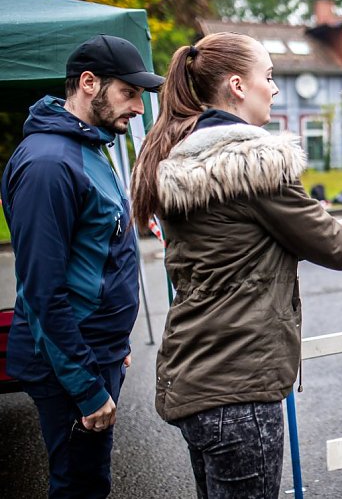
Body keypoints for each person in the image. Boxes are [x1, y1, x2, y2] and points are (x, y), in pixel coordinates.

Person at [129, 32, 342, 499]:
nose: (274, 88)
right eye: (268, 77)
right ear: (237, 86)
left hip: (194, 375)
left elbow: (240, 241)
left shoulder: (184, 154)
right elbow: (339, 250)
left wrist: (322, 225)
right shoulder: (256, 164)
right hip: (239, 388)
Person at [1, 34, 164, 497]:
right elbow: (43, 291)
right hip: (69, 364)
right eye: (128, 92)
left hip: (95, 350)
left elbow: (97, 255)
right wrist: (86, 386)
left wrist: (114, 341)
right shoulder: (49, 165)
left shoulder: (90, 145)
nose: (138, 108)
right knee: (80, 486)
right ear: (89, 83)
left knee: (91, 479)